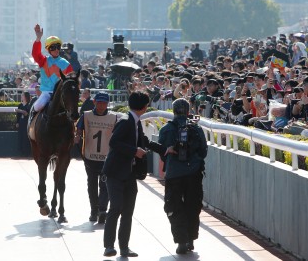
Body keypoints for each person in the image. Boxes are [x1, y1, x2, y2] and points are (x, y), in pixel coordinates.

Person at [102, 91, 174, 258]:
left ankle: (124, 247)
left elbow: (145, 141)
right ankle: (108, 246)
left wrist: (165, 149)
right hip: (115, 173)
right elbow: (113, 142)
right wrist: (134, 151)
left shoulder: (136, 122)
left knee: (127, 211)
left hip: (129, 174)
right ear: (144, 107)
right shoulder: (126, 122)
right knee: (116, 208)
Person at [158, 98, 208, 254]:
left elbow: (162, 151)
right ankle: (191, 239)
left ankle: (181, 241)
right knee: (192, 206)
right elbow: (203, 151)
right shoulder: (196, 128)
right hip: (194, 174)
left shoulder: (166, 129)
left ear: (173, 111)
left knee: (174, 207)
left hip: (174, 175)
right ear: (188, 111)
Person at [75, 92, 117, 223]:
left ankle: (102, 210)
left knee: (105, 185)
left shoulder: (113, 117)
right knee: (92, 185)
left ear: (108, 104)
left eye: (104, 103)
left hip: (106, 159)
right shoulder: (86, 115)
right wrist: (77, 137)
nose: (101, 105)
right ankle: (94, 210)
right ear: (94, 102)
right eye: (99, 102)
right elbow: (78, 130)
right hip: (90, 157)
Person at [30, 24, 73, 119]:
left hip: (61, 94)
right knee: (36, 107)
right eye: (53, 47)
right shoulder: (43, 60)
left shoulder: (66, 63)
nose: (56, 49)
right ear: (48, 49)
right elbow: (35, 54)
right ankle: (31, 126)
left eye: (58, 46)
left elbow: (71, 81)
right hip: (46, 92)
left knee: (71, 109)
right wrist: (38, 38)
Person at [15, 92, 31, 156]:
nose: (21, 96)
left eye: (22, 95)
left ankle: (26, 152)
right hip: (21, 122)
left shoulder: (29, 105)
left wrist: (22, 111)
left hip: (26, 123)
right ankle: (21, 151)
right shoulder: (20, 105)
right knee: (20, 137)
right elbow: (18, 115)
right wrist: (17, 122)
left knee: (25, 137)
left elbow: (27, 114)